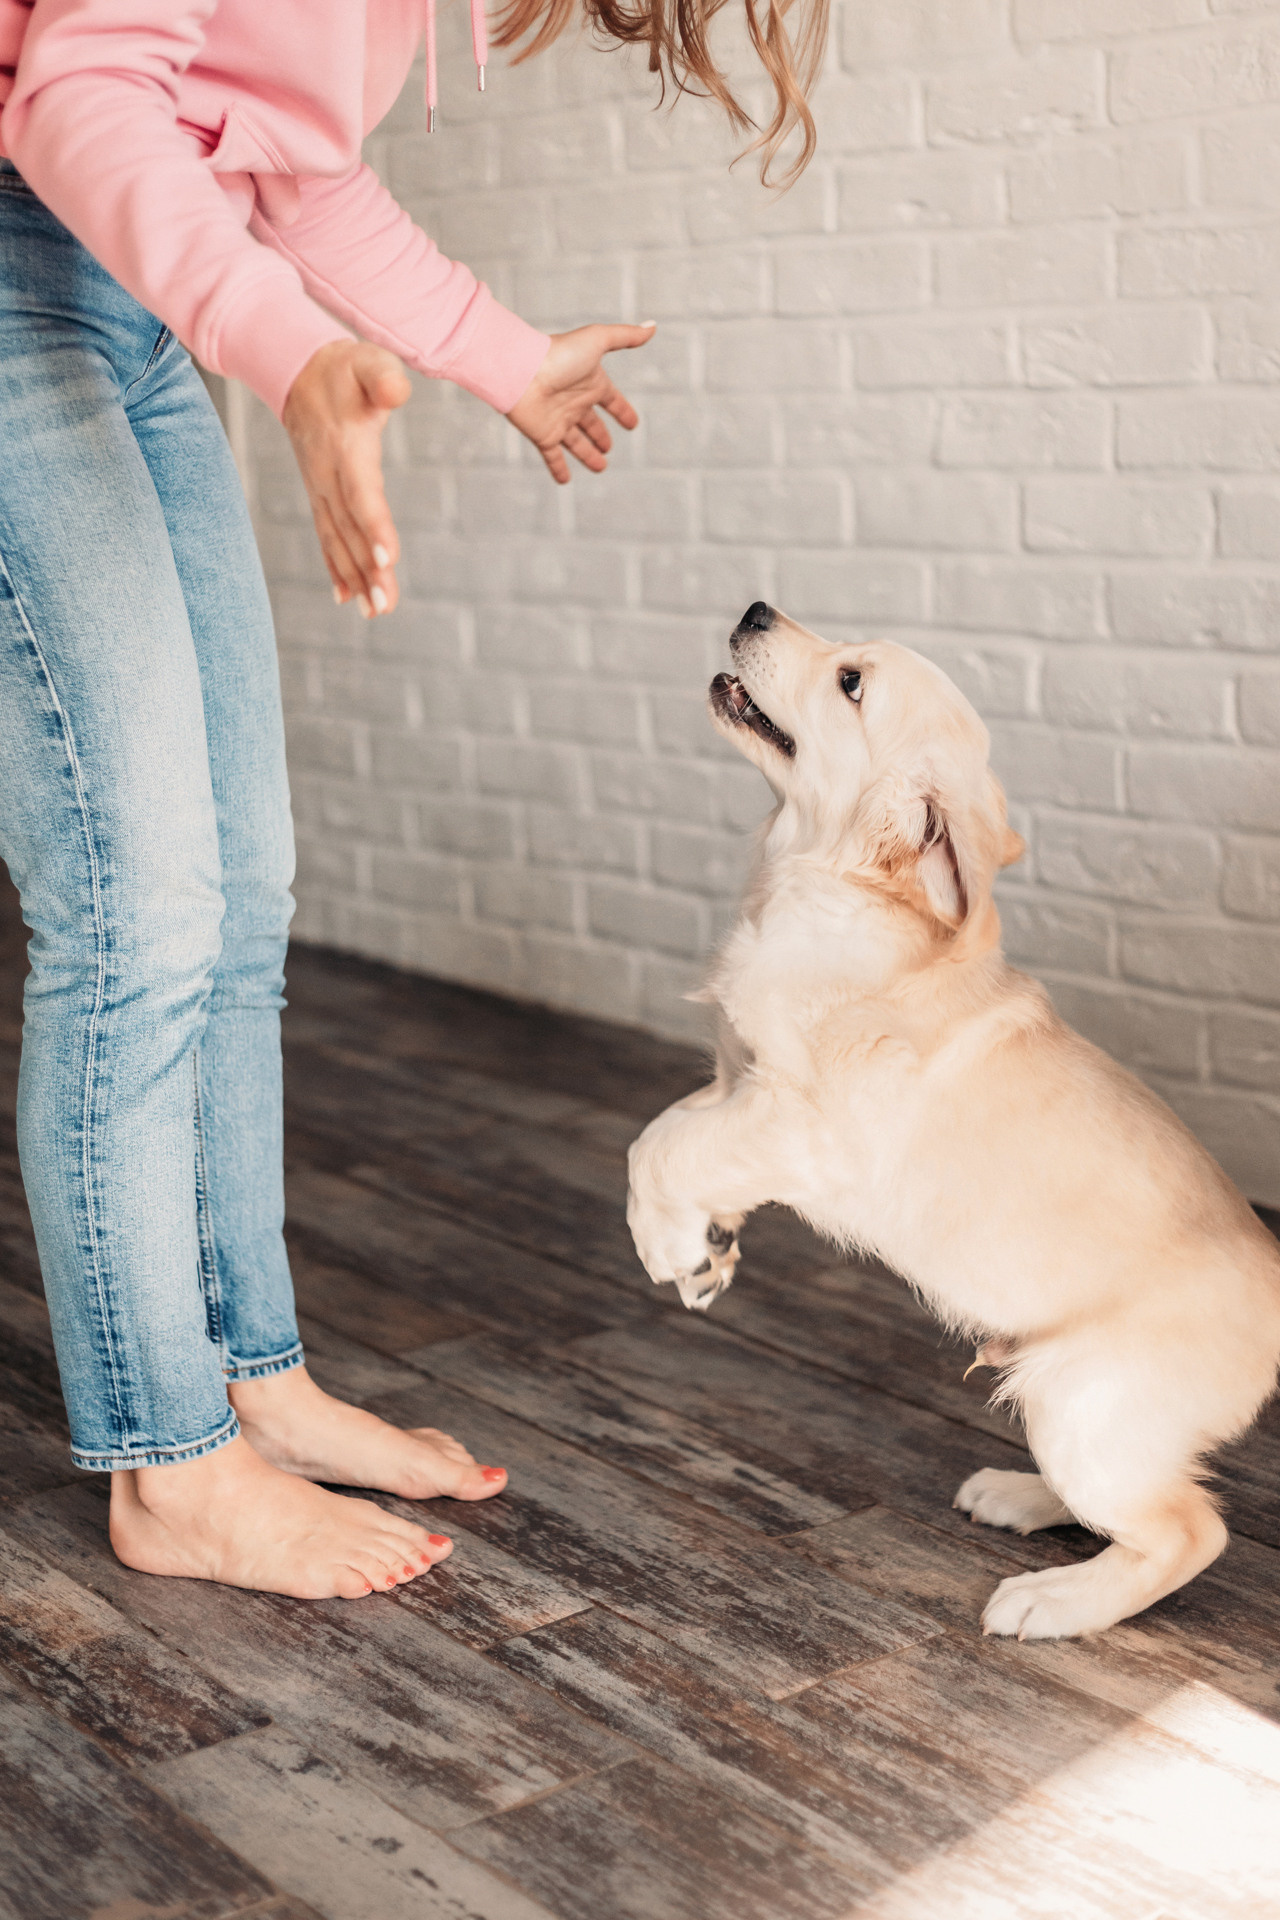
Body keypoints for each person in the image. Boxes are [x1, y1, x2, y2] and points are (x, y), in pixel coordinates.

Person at [0, 0, 826, 1601]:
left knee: (241, 901)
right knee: (135, 913)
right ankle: (169, 1468)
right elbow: (77, 94)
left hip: (133, 302)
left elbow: (292, 169)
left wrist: (506, 359)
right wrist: (297, 353)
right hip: (20, 261)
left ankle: (256, 1380)